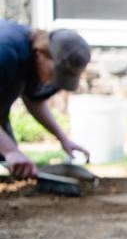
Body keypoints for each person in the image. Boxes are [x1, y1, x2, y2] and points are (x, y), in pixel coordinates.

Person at [0, 21, 91, 178]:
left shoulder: (32, 60)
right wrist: (10, 151)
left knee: (13, 162)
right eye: (54, 74)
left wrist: (63, 139)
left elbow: (35, 100)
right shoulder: (5, 51)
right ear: (40, 54)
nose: (52, 82)